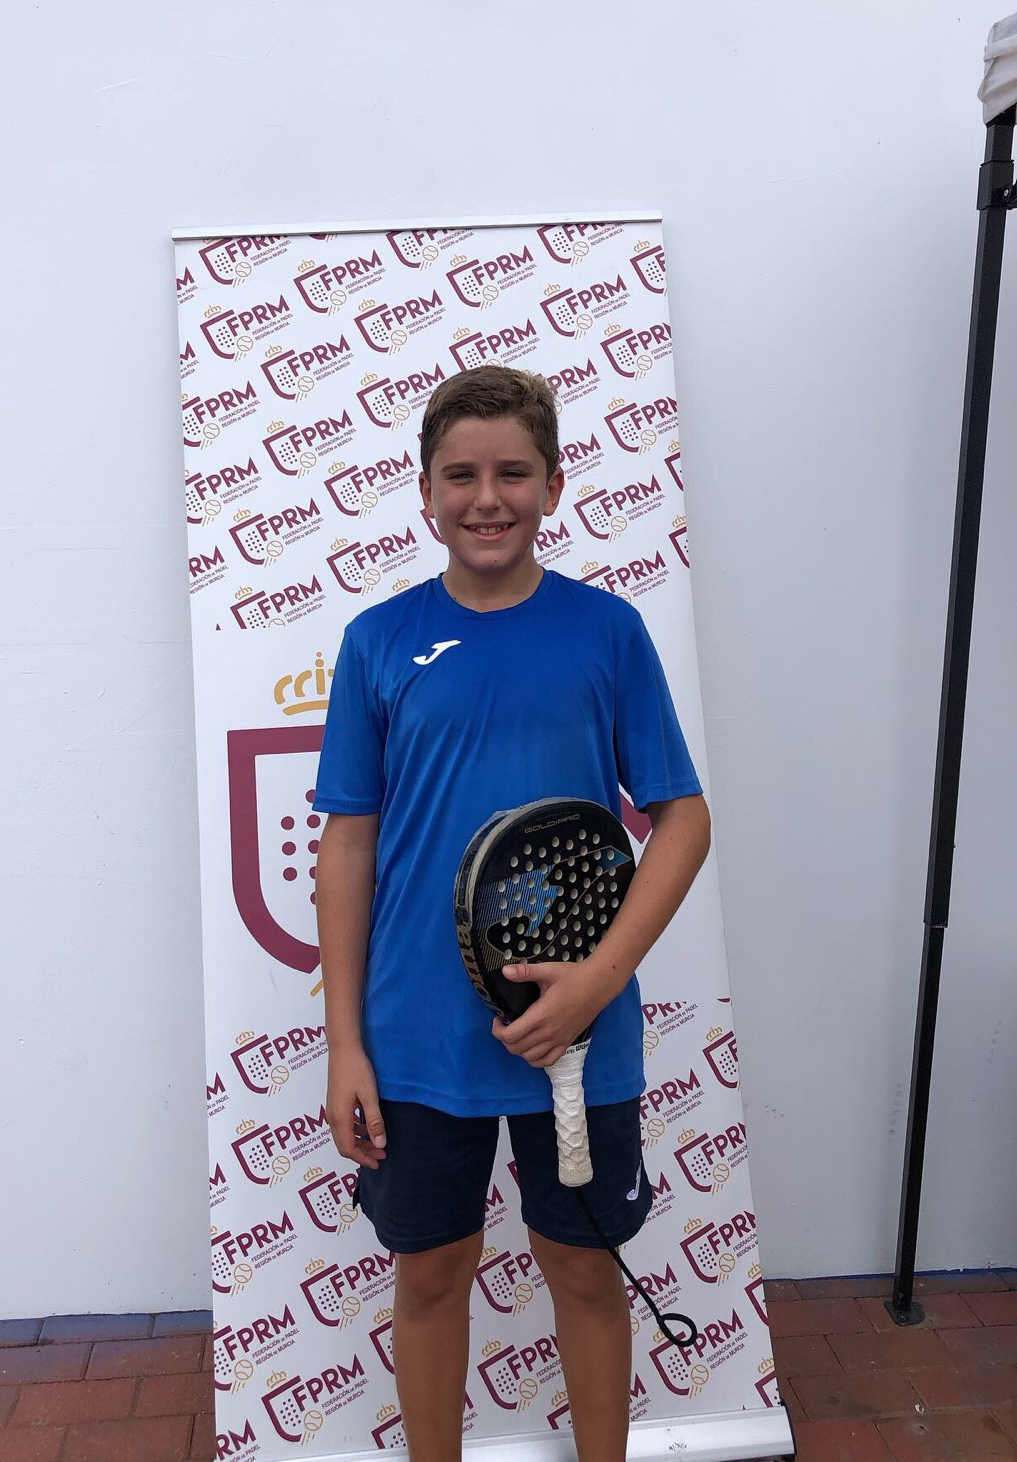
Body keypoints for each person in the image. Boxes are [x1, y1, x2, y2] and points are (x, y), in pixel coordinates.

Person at [313, 366, 711, 1462]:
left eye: (512, 474)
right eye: (461, 476)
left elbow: (681, 820)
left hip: (580, 1030)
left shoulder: (607, 631)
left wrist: (594, 984)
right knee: (431, 1274)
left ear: (554, 484)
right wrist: (346, 1044)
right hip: (417, 1040)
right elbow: (348, 846)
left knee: (583, 1271)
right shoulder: (379, 641)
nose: (487, 498)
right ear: (425, 492)